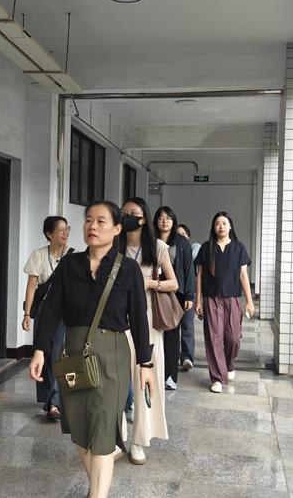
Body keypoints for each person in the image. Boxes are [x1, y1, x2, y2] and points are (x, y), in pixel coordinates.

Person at [29, 200, 155, 498]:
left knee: (102, 430)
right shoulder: (70, 265)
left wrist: (146, 364)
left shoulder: (128, 269)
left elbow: (139, 318)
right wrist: (40, 350)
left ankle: (97, 494)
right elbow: (51, 309)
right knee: (79, 429)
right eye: (88, 220)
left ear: (117, 229)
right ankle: (98, 487)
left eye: (101, 221)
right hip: (74, 351)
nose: (92, 226)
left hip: (112, 353)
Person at [119, 197, 178, 465]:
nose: (126, 216)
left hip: (148, 320)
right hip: (118, 320)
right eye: (123, 212)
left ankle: (139, 440)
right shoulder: (114, 245)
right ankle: (116, 437)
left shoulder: (157, 247)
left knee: (145, 379)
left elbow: (173, 283)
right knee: (116, 381)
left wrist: (150, 284)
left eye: (132, 213)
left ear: (143, 218)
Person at [194, 211, 254, 393]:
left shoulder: (239, 248)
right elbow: (199, 276)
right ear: (214, 227)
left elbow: (243, 276)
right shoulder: (206, 248)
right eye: (217, 223)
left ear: (230, 226)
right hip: (211, 298)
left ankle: (228, 363)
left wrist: (249, 301)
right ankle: (217, 378)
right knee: (214, 338)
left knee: (233, 338)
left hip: (232, 298)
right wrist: (198, 300)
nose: (221, 226)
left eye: (224, 223)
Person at [21, 216, 73, 420]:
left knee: (58, 354)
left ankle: (55, 402)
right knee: (43, 352)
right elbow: (31, 287)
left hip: (65, 312)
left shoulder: (74, 256)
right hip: (44, 310)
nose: (66, 233)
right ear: (49, 234)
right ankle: (49, 398)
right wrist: (27, 314)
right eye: (61, 230)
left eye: (67, 229)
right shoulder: (39, 255)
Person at [154, 207, 195, 389]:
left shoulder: (181, 242)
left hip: (174, 293)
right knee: (152, 333)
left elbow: (189, 270)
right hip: (152, 290)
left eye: (168, 218)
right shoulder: (149, 240)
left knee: (171, 335)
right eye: (161, 218)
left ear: (173, 221)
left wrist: (189, 295)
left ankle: (170, 377)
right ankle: (153, 372)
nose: (165, 221)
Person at [176, 223, 200, 370]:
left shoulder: (193, 252)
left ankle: (187, 357)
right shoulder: (170, 252)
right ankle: (173, 355)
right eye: (177, 234)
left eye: (183, 234)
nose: (180, 236)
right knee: (171, 328)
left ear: (188, 238)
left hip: (188, 295)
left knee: (187, 326)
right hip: (173, 295)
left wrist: (192, 297)